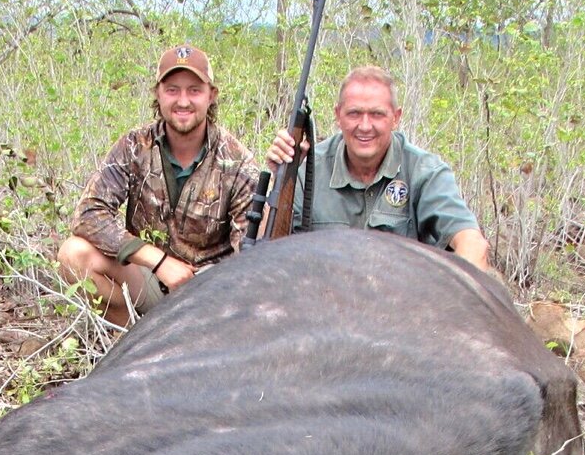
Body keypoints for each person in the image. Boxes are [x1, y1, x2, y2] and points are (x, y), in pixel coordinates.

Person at [58, 45, 259, 328]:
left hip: (208, 293)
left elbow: (249, 252)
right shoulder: (134, 145)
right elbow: (89, 214)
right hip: (149, 276)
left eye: (194, 90)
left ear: (211, 96)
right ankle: (130, 345)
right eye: (172, 90)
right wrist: (159, 261)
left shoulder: (237, 160)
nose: (183, 101)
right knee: (73, 254)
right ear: (158, 93)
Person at [266, 65, 493, 273]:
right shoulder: (308, 168)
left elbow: (472, 245)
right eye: (354, 113)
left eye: (377, 114)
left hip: (404, 305)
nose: (365, 126)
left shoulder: (425, 172)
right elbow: (264, 249)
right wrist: (281, 180)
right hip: (325, 301)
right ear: (338, 116)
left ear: (396, 117)